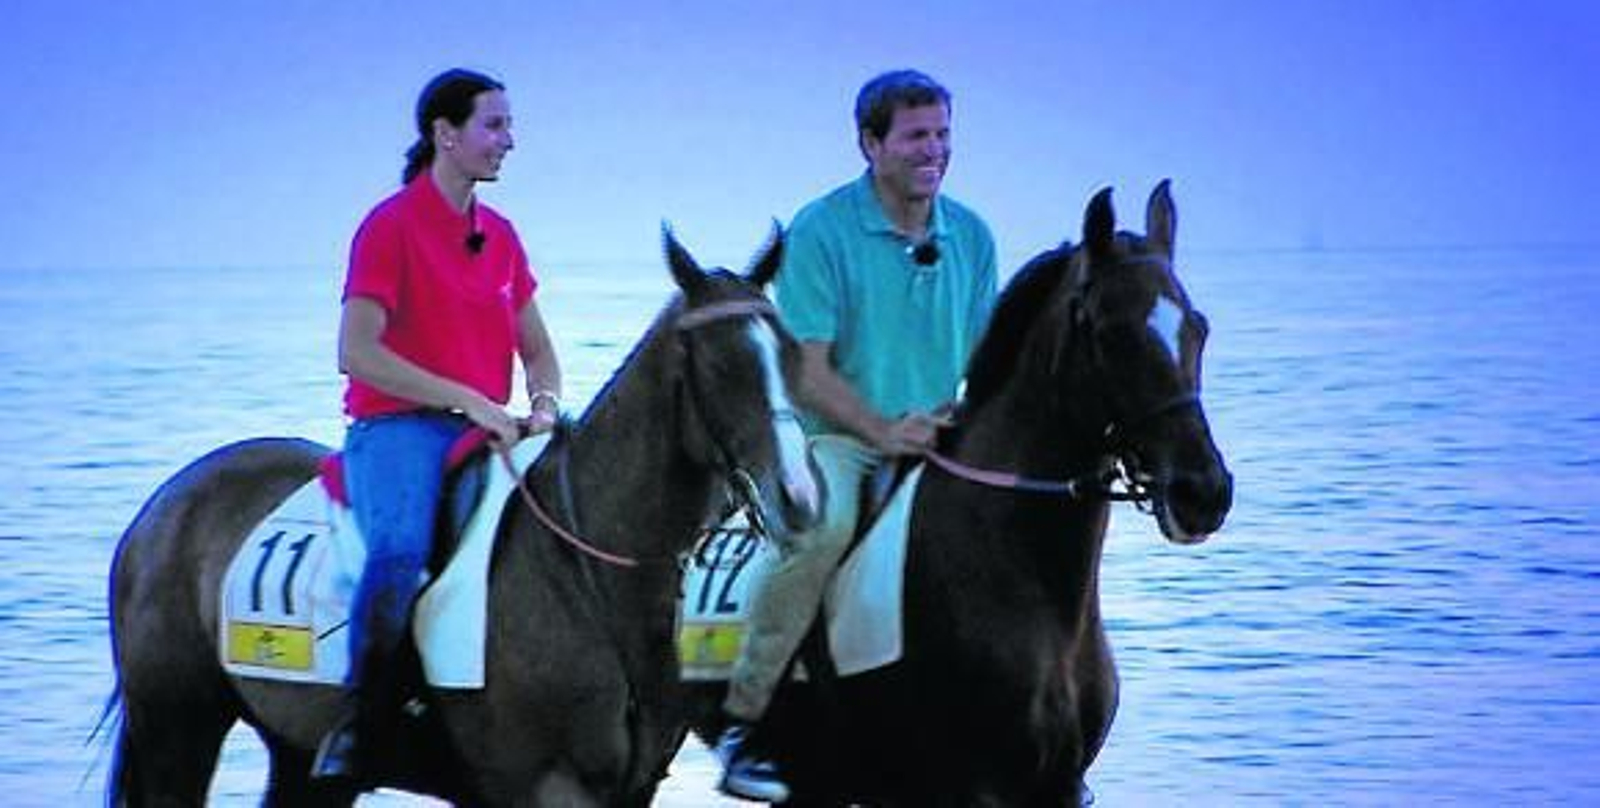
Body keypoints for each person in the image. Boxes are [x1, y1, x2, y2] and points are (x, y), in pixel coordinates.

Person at [716, 69, 998, 801]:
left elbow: (985, 359)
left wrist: (962, 419)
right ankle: (750, 722)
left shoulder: (971, 233)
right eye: (914, 136)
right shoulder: (821, 230)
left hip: (938, 434)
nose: (932, 150)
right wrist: (882, 429)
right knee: (821, 530)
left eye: (942, 134)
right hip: (838, 436)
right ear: (871, 144)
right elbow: (806, 373)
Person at [313, 67, 562, 780]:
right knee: (398, 551)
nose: (508, 141)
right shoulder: (388, 227)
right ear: (443, 135)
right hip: (396, 429)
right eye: (494, 125)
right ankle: (359, 723)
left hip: (487, 429)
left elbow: (539, 351)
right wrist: (465, 398)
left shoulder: (503, 236)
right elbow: (355, 352)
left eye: (510, 126)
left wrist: (542, 404)